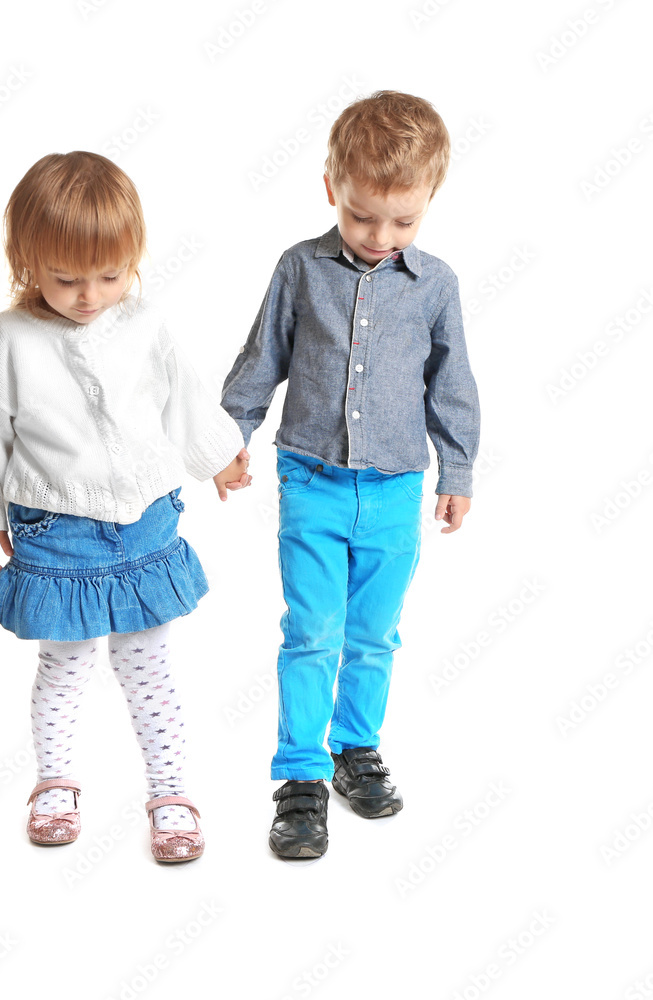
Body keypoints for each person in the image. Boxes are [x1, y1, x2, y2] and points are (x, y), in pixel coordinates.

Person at [0, 151, 250, 862]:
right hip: (55, 528)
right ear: (27, 262)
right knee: (65, 664)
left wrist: (219, 454)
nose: (90, 295)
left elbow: (183, 398)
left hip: (143, 520)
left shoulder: (145, 325)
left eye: (111, 275)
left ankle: (171, 793)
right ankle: (54, 783)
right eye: (66, 279)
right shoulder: (9, 339)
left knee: (147, 665)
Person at [220, 91, 480, 859]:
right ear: (331, 187)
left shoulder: (436, 285)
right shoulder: (299, 268)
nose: (378, 237)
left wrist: (457, 468)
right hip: (311, 481)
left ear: (429, 202)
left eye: (402, 221)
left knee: (372, 634)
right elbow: (260, 359)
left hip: (396, 490)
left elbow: (451, 383)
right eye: (362, 216)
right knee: (310, 631)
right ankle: (300, 775)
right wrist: (228, 439)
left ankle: (354, 748)